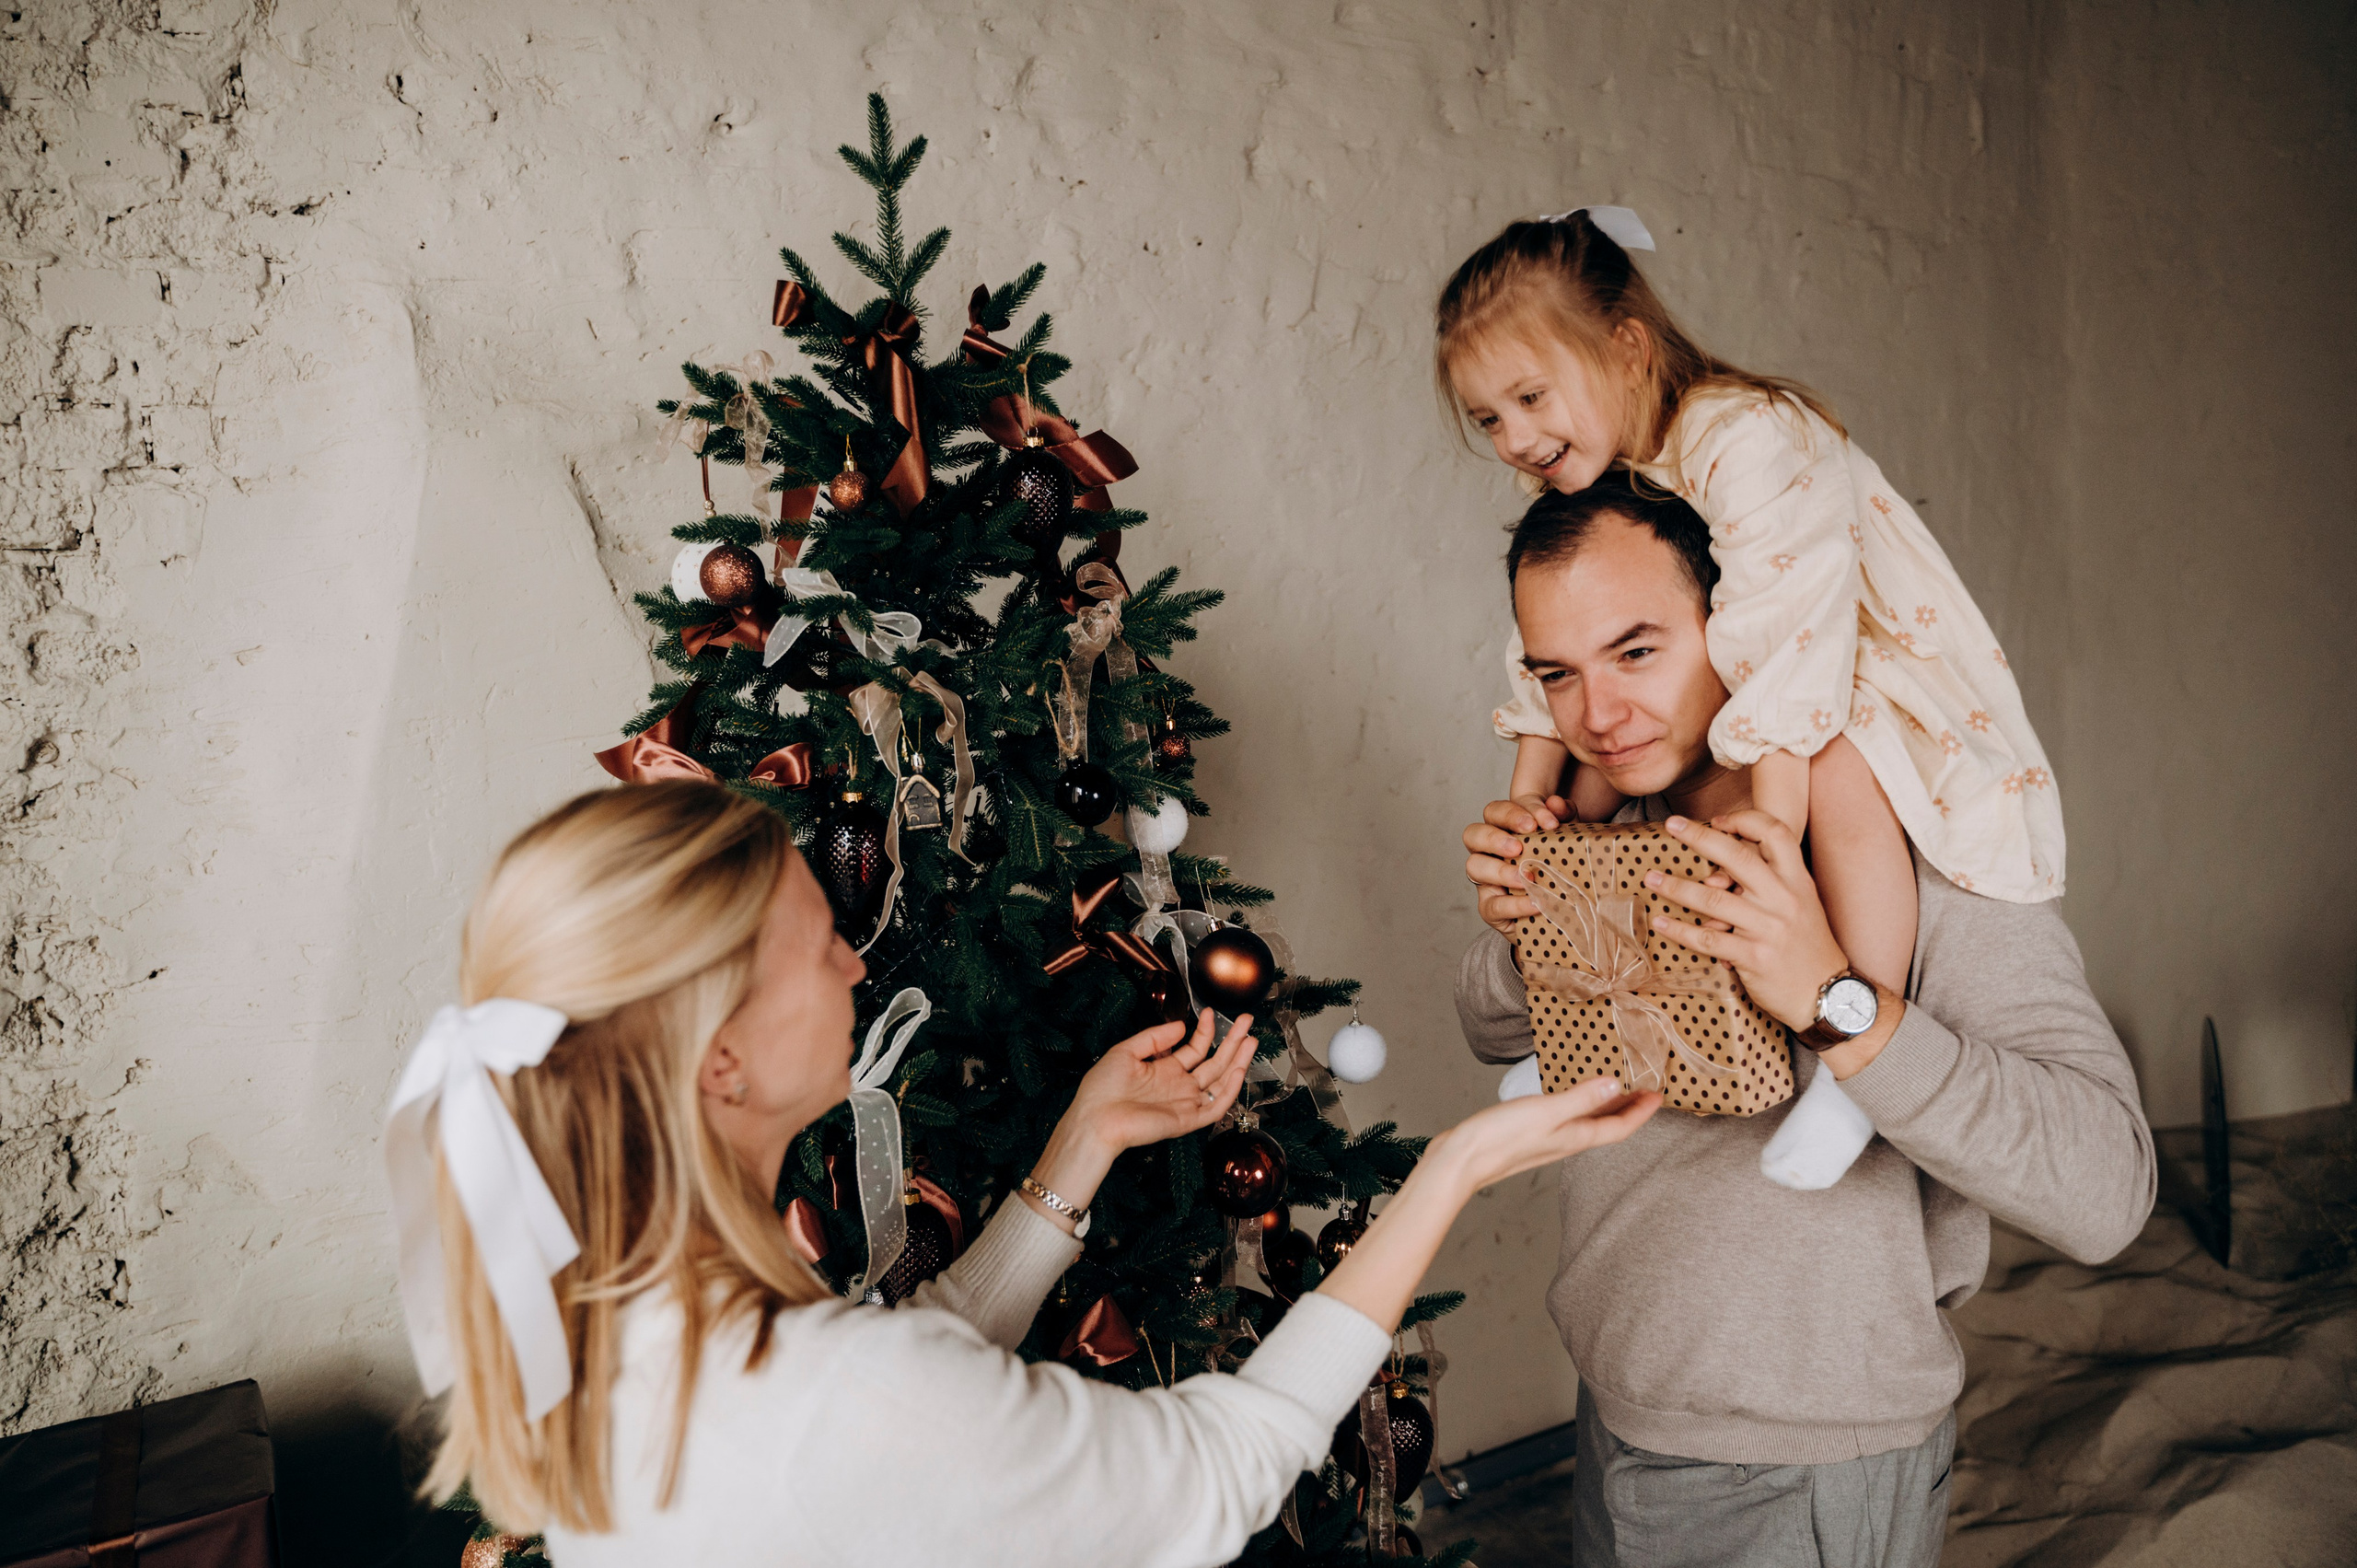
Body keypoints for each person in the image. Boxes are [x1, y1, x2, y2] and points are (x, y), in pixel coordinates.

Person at [385, 781, 1662, 1566]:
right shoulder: (833, 1396)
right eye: (817, 938)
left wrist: (1082, 1144)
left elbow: (900, 1372)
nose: (851, 959)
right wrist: (1451, 1168)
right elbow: (1218, 1475)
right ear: (719, 1059)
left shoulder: (612, 1321)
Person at [1456, 483, 2154, 1567]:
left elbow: (2107, 1191)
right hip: (1617, 1416)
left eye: (1636, 651)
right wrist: (1526, 935)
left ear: (1738, 629)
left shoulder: (1922, 854)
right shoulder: (1611, 810)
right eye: (1557, 672)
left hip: (1807, 1472)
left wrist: (1837, 1000)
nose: (1595, 714)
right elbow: (1488, 1027)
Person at [1435, 207, 2067, 1188]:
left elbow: (1789, 641)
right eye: (1488, 418)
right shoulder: (1598, 469)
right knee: (1578, 817)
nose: (1514, 437)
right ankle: (1583, 1034)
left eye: (1528, 396)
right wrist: (1527, 817)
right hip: (1760, 674)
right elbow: (1540, 650)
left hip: (1849, 670)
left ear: (1627, 349)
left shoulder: (1746, 436)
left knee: (1836, 774)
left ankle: (1853, 1059)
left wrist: (1765, 845)